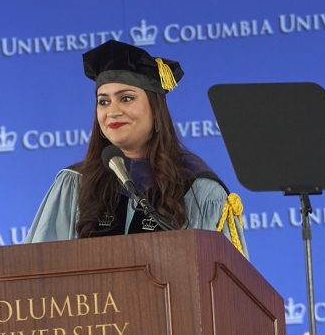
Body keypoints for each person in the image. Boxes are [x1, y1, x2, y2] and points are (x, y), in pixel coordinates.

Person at [25, 40, 247, 257]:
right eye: (104, 101)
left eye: (126, 98)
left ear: (155, 109)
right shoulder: (75, 183)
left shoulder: (199, 188)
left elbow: (223, 281)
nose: (113, 111)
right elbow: (38, 274)